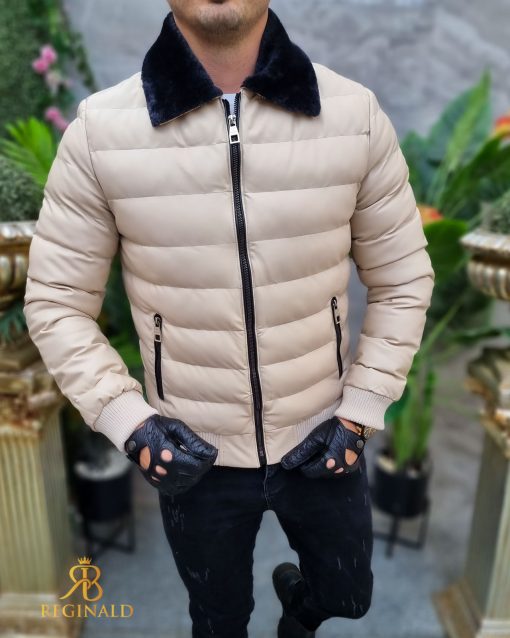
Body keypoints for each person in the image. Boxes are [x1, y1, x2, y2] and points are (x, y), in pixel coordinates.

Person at [23, 1, 435, 636]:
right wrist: (130, 422)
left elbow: (403, 277)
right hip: (194, 451)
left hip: (323, 434)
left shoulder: (353, 115)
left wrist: (360, 409)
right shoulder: (100, 132)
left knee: (348, 596)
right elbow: (56, 299)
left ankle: (298, 613)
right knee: (218, 622)